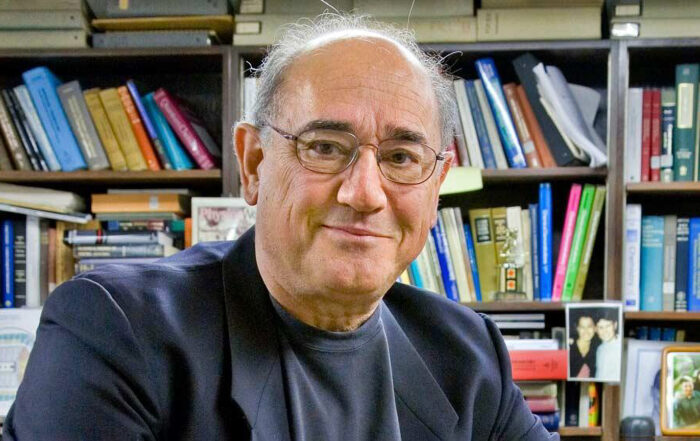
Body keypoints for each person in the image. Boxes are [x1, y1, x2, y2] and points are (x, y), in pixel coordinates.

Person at [4, 14, 557, 441]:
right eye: (323, 147)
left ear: (435, 186)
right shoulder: (114, 330)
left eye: (403, 157)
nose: (364, 193)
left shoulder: (467, 353)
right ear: (253, 164)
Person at [568, 310, 598, 378]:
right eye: (582, 327)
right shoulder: (569, 346)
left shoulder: (597, 348)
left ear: (595, 328)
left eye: (589, 326)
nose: (586, 331)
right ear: (578, 329)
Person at [594, 308, 622, 381]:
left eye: (608, 326)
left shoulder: (621, 346)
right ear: (596, 329)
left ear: (615, 325)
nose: (605, 331)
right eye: (601, 327)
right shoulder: (599, 349)